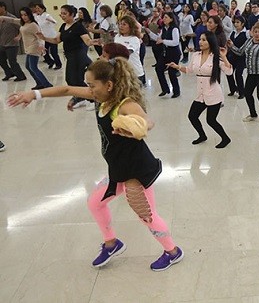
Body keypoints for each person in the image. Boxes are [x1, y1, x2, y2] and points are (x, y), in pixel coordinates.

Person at [8, 58, 184, 272]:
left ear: (108, 85)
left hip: (136, 172)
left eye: (92, 85)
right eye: (88, 85)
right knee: (95, 203)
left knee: (147, 215)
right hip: (118, 169)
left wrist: (137, 126)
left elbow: (147, 120)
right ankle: (112, 243)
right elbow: (65, 89)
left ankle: (173, 252)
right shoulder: (100, 97)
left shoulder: (125, 104)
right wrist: (33, 94)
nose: (88, 89)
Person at [168, 31, 233, 148]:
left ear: (210, 42)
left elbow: (229, 71)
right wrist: (177, 67)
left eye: (204, 40)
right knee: (192, 116)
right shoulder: (196, 55)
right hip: (200, 93)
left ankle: (225, 138)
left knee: (211, 120)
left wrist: (223, 56)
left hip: (213, 93)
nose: (200, 42)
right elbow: (189, 70)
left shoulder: (216, 56)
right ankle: (202, 135)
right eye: (200, 39)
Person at [37, 4, 96, 109]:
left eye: (65, 13)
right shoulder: (63, 26)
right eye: (61, 13)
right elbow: (56, 40)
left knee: (76, 79)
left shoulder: (78, 26)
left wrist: (94, 42)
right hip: (70, 56)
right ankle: (81, 97)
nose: (62, 15)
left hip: (78, 55)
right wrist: (44, 38)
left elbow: (87, 41)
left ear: (72, 14)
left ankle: (93, 99)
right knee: (70, 79)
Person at [0, 7, 53, 90]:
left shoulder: (33, 25)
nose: (24, 17)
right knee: (28, 66)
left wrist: (41, 45)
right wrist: (3, 17)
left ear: (29, 15)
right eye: (22, 15)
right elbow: (13, 20)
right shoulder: (23, 23)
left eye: (25, 15)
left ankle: (47, 84)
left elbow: (40, 37)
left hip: (34, 47)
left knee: (33, 67)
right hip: (28, 48)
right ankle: (39, 83)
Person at [147, 12, 181, 98]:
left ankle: (176, 91)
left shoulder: (174, 29)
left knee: (171, 72)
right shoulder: (164, 29)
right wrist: (149, 33)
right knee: (158, 68)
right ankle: (165, 89)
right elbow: (159, 38)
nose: (164, 19)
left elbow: (175, 42)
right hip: (166, 52)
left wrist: (163, 41)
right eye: (163, 17)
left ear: (171, 19)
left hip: (174, 53)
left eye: (166, 17)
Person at [113, 15, 146, 86]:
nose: (121, 26)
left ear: (130, 26)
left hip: (135, 73)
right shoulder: (117, 37)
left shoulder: (134, 39)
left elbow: (127, 54)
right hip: (122, 72)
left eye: (124, 24)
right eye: (120, 24)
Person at [0, 1, 27, 82]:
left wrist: (19, 36)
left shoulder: (11, 18)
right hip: (2, 43)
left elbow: (22, 27)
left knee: (12, 61)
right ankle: (9, 73)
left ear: (3, 7)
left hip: (12, 44)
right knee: (1, 60)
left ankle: (21, 76)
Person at [226, 15, 248, 99]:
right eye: (235, 22)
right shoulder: (233, 32)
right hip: (232, 56)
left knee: (238, 74)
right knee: (229, 72)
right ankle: (233, 89)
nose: (236, 24)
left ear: (242, 24)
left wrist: (232, 45)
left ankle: (241, 92)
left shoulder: (246, 33)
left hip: (241, 57)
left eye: (238, 22)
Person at [34, 3, 62, 69]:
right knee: (44, 52)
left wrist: (50, 21)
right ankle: (51, 62)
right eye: (36, 8)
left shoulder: (47, 15)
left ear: (43, 9)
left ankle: (58, 64)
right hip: (44, 37)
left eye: (39, 8)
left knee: (53, 52)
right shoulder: (37, 17)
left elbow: (55, 22)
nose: (37, 10)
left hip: (52, 37)